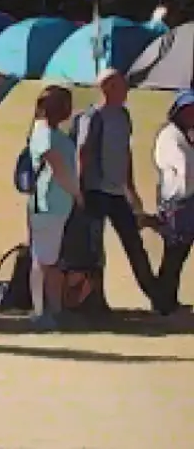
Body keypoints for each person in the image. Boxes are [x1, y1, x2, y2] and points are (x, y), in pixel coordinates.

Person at [74, 69, 159, 310]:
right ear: (108, 88)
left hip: (117, 192)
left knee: (134, 244)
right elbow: (84, 153)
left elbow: (125, 152)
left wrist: (130, 186)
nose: (126, 90)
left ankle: (158, 298)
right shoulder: (92, 116)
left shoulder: (124, 116)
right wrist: (80, 190)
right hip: (95, 191)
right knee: (94, 249)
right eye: (121, 85)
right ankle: (94, 301)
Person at [25, 85, 83, 330]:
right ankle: (41, 311)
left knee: (51, 261)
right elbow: (58, 169)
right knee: (43, 261)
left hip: (58, 205)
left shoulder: (54, 133)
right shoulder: (45, 134)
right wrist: (77, 194)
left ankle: (55, 309)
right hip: (47, 205)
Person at [152, 90, 194, 316]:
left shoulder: (186, 134)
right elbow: (185, 169)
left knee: (179, 253)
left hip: (186, 201)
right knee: (174, 253)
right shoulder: (171, 136)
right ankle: (163, 302)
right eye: (187, 110)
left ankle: (168, 299)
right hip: (177, 202)